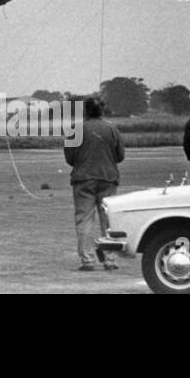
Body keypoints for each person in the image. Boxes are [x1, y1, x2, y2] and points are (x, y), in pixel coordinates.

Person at [64, 98, 125, 272]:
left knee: (84, 220)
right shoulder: (112, 128)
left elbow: (69, 158)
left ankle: (88, 260)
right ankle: (110, 260)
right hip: (108, 178)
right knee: (108, 220)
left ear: (86, 111)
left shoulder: (75, 129)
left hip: (83, 179)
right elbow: (120, 156)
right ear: (102, 110)